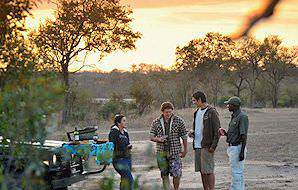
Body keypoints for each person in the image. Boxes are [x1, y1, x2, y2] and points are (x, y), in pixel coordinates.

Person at [150, 102, 188, 190]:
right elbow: (151, 136)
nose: (168, 114)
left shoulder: (179, 121)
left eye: (170, 112)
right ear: (162, 111)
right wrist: (158, 139)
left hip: (175, 152)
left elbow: (184, 136)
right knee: (164, 174)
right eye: (166, 112)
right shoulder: (156, 122)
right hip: (161, 152)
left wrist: (185, 150)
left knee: (177, 174)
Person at [189, 91, 220, 190]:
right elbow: (197, 127)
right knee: (202, 171)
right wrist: (192, 133)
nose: (193, 102)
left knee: (209, 170)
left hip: (207, 146)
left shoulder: (212, 112)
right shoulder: (196, 112)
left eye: (194, 100)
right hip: (197, 145)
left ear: (200, 100)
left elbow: (217, 131)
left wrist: (213, 146)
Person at [219, 96, 249, 190]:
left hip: (238, 148)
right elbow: (235, 134)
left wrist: (241, 152)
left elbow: (243, 136)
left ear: (235, 106)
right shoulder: (234, 116)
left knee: (236, 173)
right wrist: (226, 133)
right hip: (233, 147)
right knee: (237, 173)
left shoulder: (242, 117)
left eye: (229, 104)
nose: (227, 106)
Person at [109, 114, 133, 190]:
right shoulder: (113, 133)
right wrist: (124, 147)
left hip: (127, 158)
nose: (126, 122)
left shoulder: (125, 132)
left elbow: (127, 143)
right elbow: (112, 146)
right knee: (129, 180)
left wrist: (128, 146)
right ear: (118, 123)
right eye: (124, 121)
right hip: (118, 159)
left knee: (124, 179)